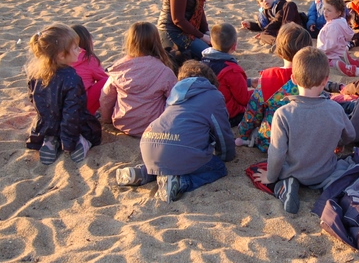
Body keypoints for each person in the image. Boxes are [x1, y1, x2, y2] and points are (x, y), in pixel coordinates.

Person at [116, 61, 235, 203]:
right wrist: (227, 154)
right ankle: (181, 182)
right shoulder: (214, 96)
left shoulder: (175, 94)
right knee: (217, 168)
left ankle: (142, 172)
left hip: (149, 142)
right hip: (180, 149)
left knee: (168, 162)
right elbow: (222, 131)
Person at [256, 47, 356, 213]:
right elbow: (351, 135)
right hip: (324, 172)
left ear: (293, 79)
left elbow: (277, 152)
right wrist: (339, 142)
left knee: (282, 172)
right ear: (326, 80)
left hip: (292, 172)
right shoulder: (335, 108)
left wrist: (270, 177)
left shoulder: (283, 114)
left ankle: (287, 185)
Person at [25, 24, 102, 165]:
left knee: (50, 123)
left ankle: (50, 140)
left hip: (47, 123)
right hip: (70, 125)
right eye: (75, 48)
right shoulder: (71, 77)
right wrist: (68, 141)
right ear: (61, 55)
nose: (80, 50)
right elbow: (72, 110)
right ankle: (81, 141)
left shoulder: (36, 73)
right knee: (94, 132)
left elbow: (33, 98)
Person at [236, 23, 312, 152]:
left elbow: (253, 112)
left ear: (280, 50)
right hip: (305, 142)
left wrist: (243, 132)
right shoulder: (313, 77)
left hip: (273, 142)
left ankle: (249, 139)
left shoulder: (269, 78)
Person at [100, 22, 177, 137]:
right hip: (153, 126)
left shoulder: (119, 69)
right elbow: (175, 98)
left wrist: (106, 119)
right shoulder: (164, 71)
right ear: (156, 42)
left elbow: (106, 97)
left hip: (123, 124)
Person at [201, 23, 249, 127]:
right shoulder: (232, 70)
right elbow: (243, 99)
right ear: (234, 46)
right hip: (227, 116)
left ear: (211, 42)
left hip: (205, 113)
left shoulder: (202, 62)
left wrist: (248, 82)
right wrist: (257, 91)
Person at [70, 24, 108, 115]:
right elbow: (103, 78)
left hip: (64, 106)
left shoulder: (64, 58)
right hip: (82, 107)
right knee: (107, 81)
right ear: (88, 41)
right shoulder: (89, 58)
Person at [316, 0, 358, 70]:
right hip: (341, 53)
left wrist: (319, 50)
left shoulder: (333, 26)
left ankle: (353, 69)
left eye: (329, 10)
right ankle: (353, 63)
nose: (325, 12)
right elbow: (349, 35)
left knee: (326, 64)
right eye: (324, 9)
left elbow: (331, 44)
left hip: (332, 55)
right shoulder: (341, 21)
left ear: (338, 13)